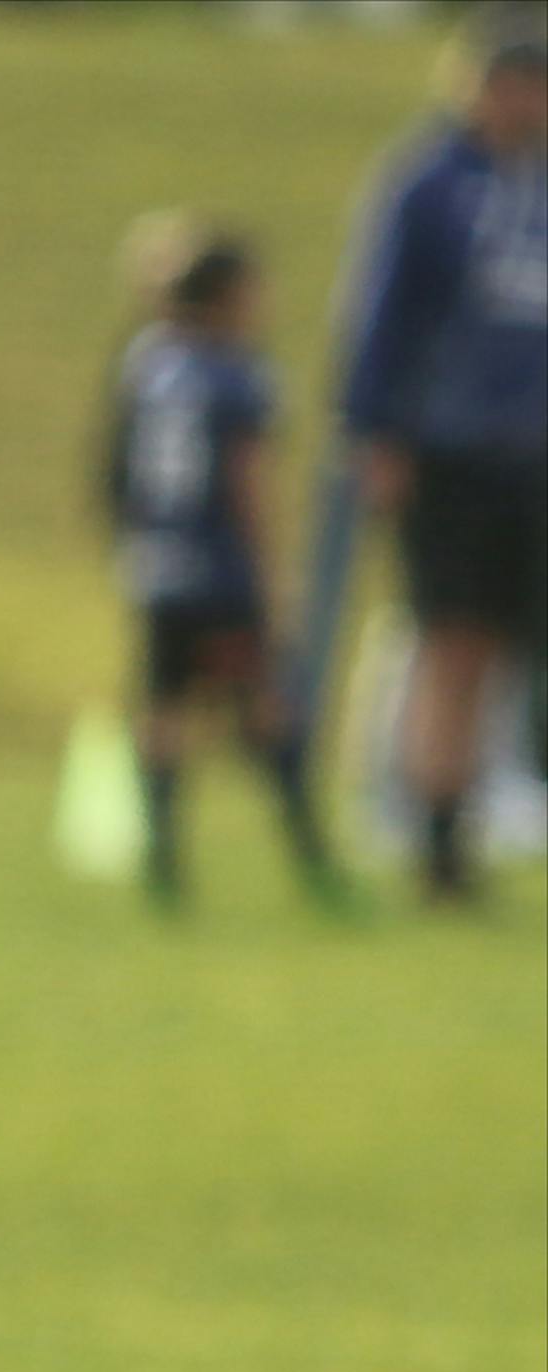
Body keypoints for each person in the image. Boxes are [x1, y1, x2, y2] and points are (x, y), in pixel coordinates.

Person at [334, 2, 548, 908]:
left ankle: (500, 811)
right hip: (455, 449)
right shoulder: (428, 184)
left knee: (515, 650)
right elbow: (379, 315)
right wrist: (376, 429)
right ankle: (440, 841)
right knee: (452, 643)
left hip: (537, 449)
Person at [102, 226, 349, 914]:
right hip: (220, 572)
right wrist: (274, 579)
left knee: (163, 709)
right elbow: (247, 483)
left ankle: (164, 860)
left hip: (158, 567)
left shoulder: (148, 363)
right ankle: (313, 859)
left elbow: (115, 468)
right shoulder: (237, 373)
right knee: (269, 711)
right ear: (227, 297)